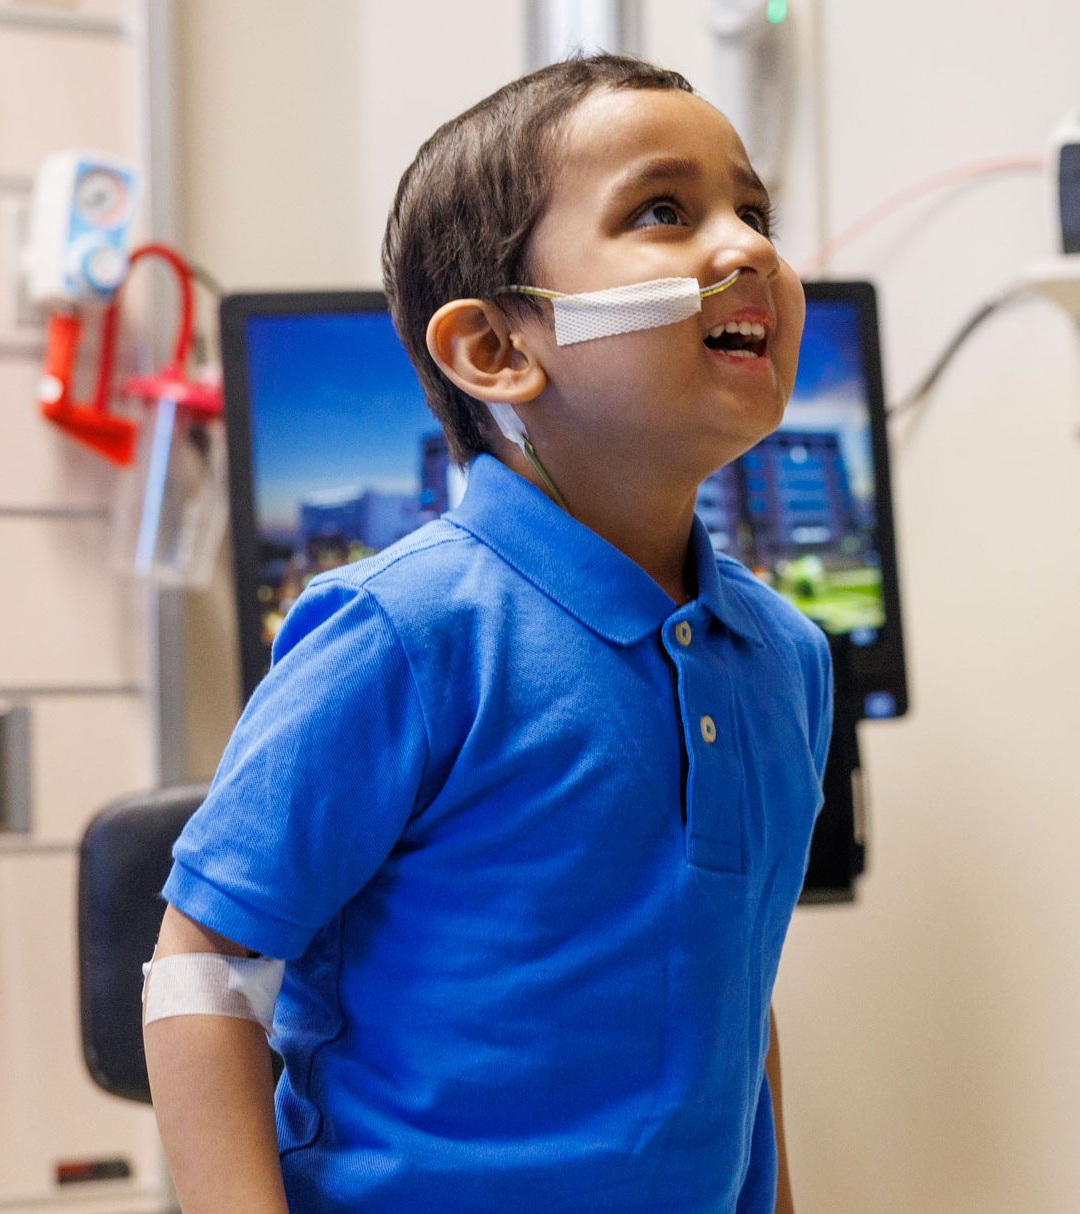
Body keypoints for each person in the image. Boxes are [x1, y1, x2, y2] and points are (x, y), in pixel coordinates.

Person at [142, 54, 833, 1214]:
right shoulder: (400, 632)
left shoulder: (785, 661)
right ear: (496, 350)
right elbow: (204, 971)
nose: (749, 247)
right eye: (666, 211)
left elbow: (732, 993)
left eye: (753, 210)